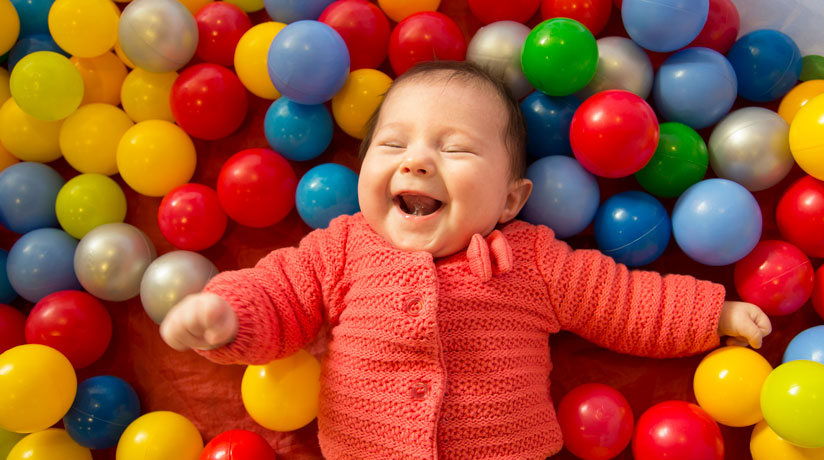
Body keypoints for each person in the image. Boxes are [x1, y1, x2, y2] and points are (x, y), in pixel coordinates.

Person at [160, 60, 772, 460]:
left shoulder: (533, 261)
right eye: (393, 144)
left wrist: (713, 315)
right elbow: (280, 295)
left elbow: (622, 302)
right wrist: (229, 316)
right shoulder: (342, 248)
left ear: (511, 199)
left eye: (455, 149)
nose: (416, 161)